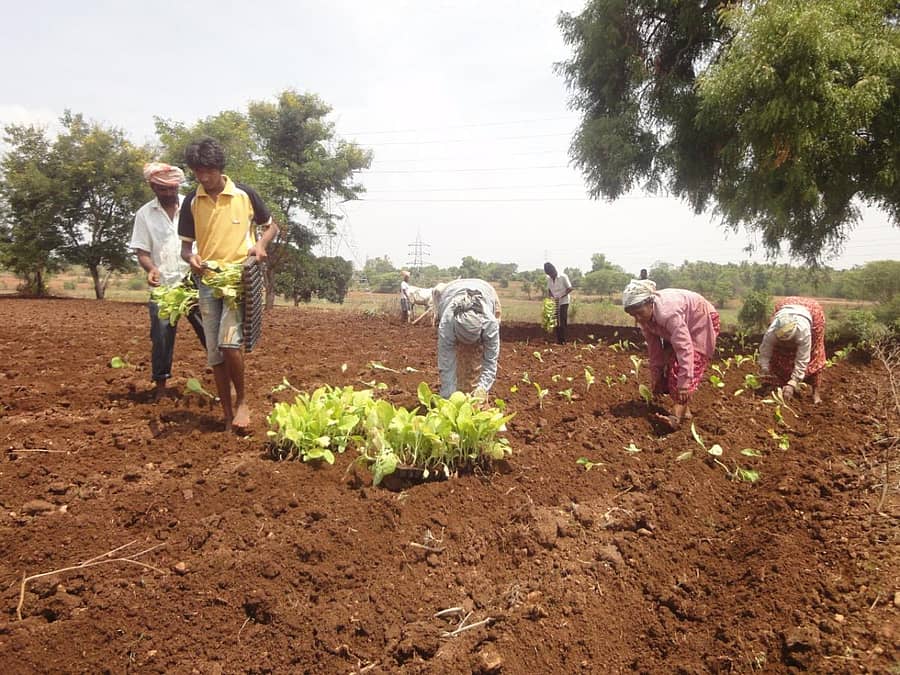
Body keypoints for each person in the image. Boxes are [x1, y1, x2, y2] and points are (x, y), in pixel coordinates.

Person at [178, 138, 279, 432]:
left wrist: (260, 244)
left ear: (219, 168)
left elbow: (272, 225)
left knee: (230, 343)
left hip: (238, 280)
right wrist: (191, 257)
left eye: (207, 170)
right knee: (214, 353)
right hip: (209, 281)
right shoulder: (191, 201)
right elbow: (185, 247)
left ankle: (243, 401)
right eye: (197, 171)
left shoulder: (245, 194)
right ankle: (226, 414)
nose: (203, 177)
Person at [130, 162, 206, 401]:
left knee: (210, 332)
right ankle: (161, 386)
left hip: (193, 280)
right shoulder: (144, 214)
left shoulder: (193, 206)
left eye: (172, 189)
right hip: (163, 284)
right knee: (161, 335)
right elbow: (142, 250)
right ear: (153, 187)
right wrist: (151, 268)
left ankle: (226, 378)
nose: (169, 194)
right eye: (163, 189)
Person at [622, 278, 720, 429]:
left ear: (650, 303)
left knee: (684, 367)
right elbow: (654, 351)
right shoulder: (645, 320)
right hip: (681, 325)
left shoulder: (668, 313)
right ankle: (686, 416)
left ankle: (675, 416)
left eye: (640, 313)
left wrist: (684, 384)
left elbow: (685, 347)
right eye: (633, 316)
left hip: (701, 319)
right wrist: (657, 378)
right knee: (670, 363)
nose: (638, 319)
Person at [436, 278, 502, 399]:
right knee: (459, 362)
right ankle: (457, 389)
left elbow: (490, 360)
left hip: (486, 290)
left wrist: (482, 389)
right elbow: (446, 362)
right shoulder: (447, 324)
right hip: (450, 291)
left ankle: (474, 391)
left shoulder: (490, 324)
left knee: (475, 359)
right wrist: (448, 394)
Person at [758, 297, 826, 404]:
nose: (787, 344)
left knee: (814, 355)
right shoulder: (771, 332)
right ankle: (778, 385)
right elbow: (765, 351)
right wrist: (765, 368)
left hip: (812, 312)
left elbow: (803, 359)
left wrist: (793, 382)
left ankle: (815, 393)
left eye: (789, 340)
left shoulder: (804, 332)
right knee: (778, 354)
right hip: (785, 305)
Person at [544, 262, 572, 344]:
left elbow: (570, 288)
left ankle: (563, 341)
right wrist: (550, 298)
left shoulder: (563, 276)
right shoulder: (549, 279)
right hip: (554, 302)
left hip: (564, 301)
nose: (551, 276)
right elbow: (549, 290)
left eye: (552, 274)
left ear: (554, 270)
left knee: (562, 320)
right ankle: (559, 340)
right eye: (549, 275)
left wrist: (561, 295)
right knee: (556, 321)